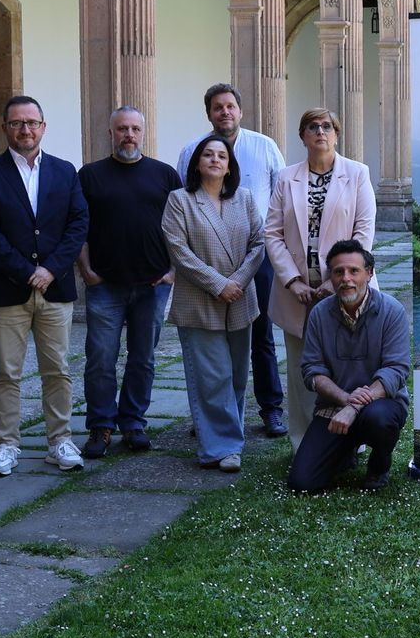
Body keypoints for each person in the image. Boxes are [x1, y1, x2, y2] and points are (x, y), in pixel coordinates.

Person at [0, 95, 89, 477]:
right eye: (17, 123)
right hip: (6, 290)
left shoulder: (65, 171)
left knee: (58, 370)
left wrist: (51, 269)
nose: (25, 130)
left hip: (55, 289)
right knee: (7, 372)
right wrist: (26, 272)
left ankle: (60, 441)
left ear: (43, 126)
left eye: (32, 122)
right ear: (5, 128)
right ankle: (7, 444)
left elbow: (78, 223)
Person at [178, 83, 289, 438]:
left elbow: (280, 198)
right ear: (208, 113)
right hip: (208, 258)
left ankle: (270, 408)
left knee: (261, 334)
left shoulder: (265, 146)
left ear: (240, 111)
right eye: (217, 107)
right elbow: (184, 198)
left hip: (258, 256)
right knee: (210, 339)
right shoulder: (191, 150)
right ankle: (212, 415)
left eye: (230, 106)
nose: (224, 112)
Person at [263, 108, 377, 451]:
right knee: (302, 372)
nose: (320, 132)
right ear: (302, 136)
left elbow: (364, 230)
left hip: (345, 288)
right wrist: (293, 281)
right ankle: (303, 444)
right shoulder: (286, 178)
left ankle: (349, 444)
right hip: (297, 294)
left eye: (327, 126)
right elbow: (272, 234)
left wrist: (335, 280)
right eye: (312, 127)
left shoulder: (357, 174)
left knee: (348, 367)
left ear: (337, 134)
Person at [77, 106, 181, 459]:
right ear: (111, 133)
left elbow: (181, 227)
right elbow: (79, 227)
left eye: (135, 129)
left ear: (143, 132)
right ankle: (101, 425)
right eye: (122, 129)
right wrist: (86, 269)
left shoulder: (164, 175)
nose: (129, 135)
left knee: (143, 358)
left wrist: (173, 272)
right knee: (101, 358)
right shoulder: (89, 176)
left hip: (153, 284)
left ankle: (133, 421)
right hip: (105, 284)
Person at [162, 134, 264, 472]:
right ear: (197, 163)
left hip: (240, 298)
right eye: (208, 154)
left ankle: (226, 436)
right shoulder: (180, 200)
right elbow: (179, 251)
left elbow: (259, 243)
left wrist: (237, 282)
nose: (215, 160)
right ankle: (221, 448)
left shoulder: (245, 199)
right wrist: (219, 284)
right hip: (200, 300)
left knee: (235, 375)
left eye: (222, 155)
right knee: (212, 376)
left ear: (230, 165)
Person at [286, 240, 411, 493]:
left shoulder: (392, 311)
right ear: (330, 277)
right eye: (338, 271)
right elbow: (312, 370)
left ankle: (379, 466)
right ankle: (345, 449)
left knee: (380, 419)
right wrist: (345, 399)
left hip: (381, 405)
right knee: (302, 484)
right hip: (333, 408)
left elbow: (396, 370)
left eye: (354, 271)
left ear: (369, 273)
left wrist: (353, 407)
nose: (346, 279)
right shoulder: (319, 314)